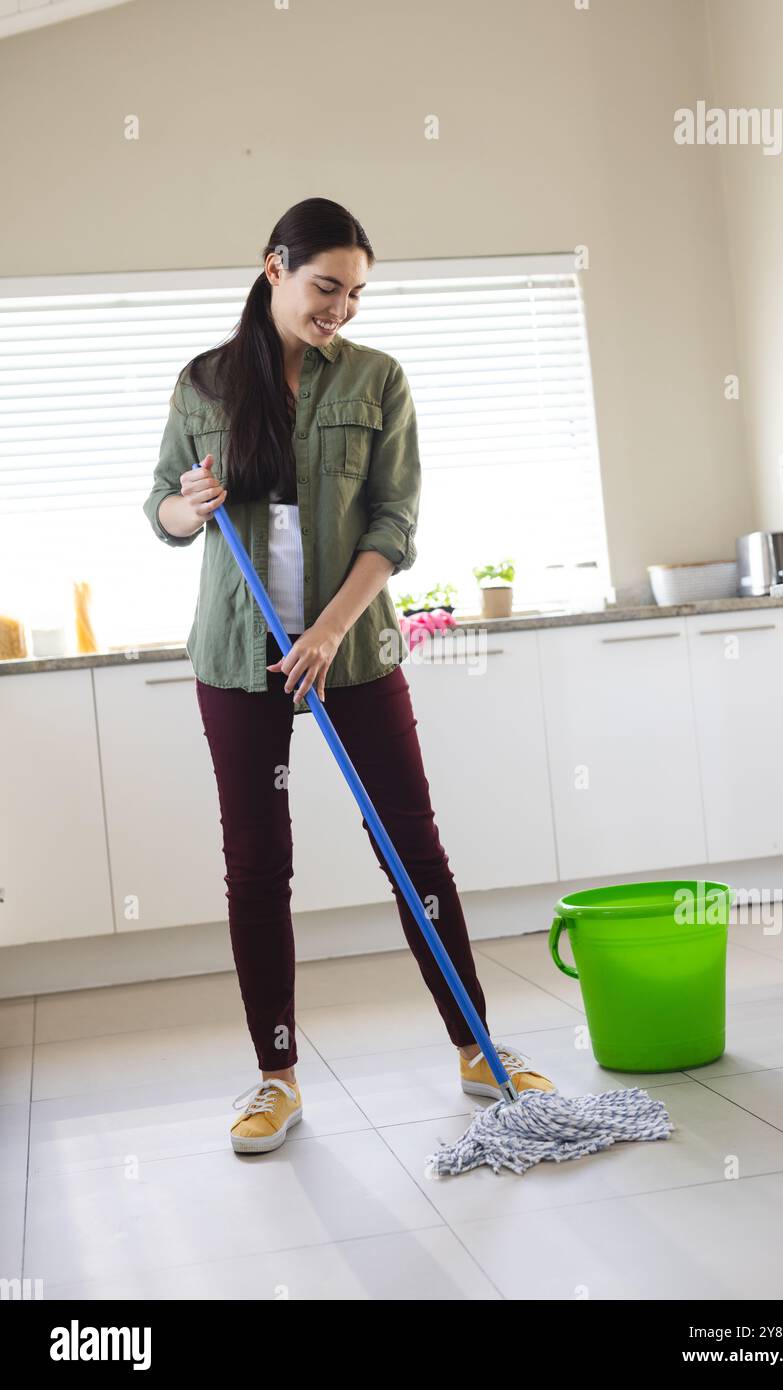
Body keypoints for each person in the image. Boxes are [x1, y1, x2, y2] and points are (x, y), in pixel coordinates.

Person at [143, 197, 555, 1155]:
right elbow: (157, 511)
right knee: (257, 865)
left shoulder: (377, 379)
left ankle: (477, 1047)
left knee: (412, 846)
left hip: (355, 652)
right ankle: (275, 1078)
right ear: (273, 267)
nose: (341, 309)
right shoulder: (203, 383)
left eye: (356, 293)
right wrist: (186, 504)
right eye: (327, 287)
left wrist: (329, 631)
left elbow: (391, 527)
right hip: (238, 659)